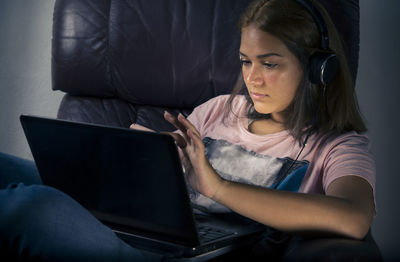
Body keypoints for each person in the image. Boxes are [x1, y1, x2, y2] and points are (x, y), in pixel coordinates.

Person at [0, 0, 376, 261]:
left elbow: (354, 216)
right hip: (146, 221)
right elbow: (169, 167)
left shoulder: (338, 146)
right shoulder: (219, 109)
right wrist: (146, 155)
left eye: (270, 64)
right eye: (246, 61)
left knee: (31, 206)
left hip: (183, 254)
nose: (252, 78)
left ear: (318, 71)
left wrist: (218, 187)